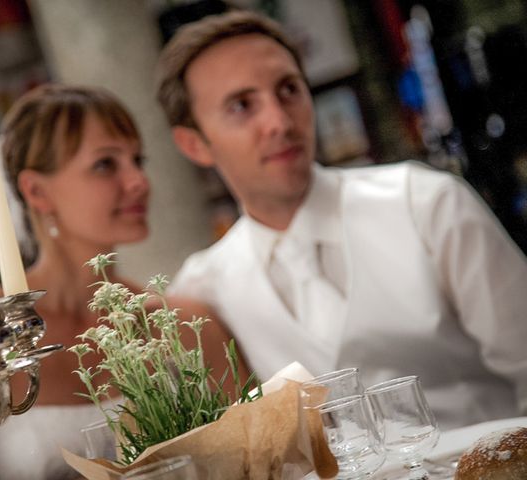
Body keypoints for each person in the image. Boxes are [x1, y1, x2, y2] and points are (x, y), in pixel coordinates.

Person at [155, 10, 527, 429]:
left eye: (289, 89)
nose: (279, 121)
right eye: (242, 105)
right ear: (194, 144)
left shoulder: (426, 203)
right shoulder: (202, 289)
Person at [0, 84, 242, 480]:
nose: (139, 181)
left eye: (137, 160)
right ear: (37, 191)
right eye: (106, 164)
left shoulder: (187, 327)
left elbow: (251, 461)